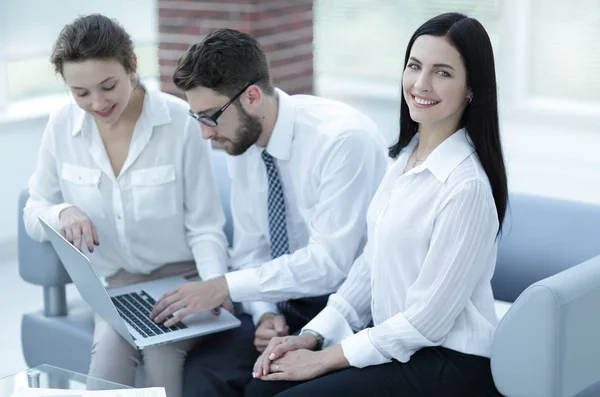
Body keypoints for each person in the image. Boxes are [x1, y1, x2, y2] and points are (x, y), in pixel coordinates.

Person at [245, 12, 508, 397]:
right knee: (260, 389)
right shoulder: (405, 158)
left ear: (472, 89)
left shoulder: (465, 187)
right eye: (415, 66)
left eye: (443, 72)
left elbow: (425, 323)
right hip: (399, 348)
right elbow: (371, 265)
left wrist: (325, 357)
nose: (421, 83)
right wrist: (313, 334)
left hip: (449, 362)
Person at [149, 28, 389, 396]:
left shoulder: (341, 140)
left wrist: (223, 287)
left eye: (210, 117)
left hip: (346, 312)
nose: (205, 135)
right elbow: (250, 250)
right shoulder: (242, 142)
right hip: (284, 305)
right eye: (197, 119)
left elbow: (329, 265)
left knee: (262, 390)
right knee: (202, 375)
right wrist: (264, 313)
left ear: (252, 96)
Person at [22, 14, 230, 397]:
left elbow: (205, 225)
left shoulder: (180, 124)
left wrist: (216, 286)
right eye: (81, 93)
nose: (98, 103)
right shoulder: (61, 126)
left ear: (131, 65)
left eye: (108, 86)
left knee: (162, 355)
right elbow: (35, 209)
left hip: (183, 279)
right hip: (118, 286)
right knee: (107, 361)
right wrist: (61, 212)